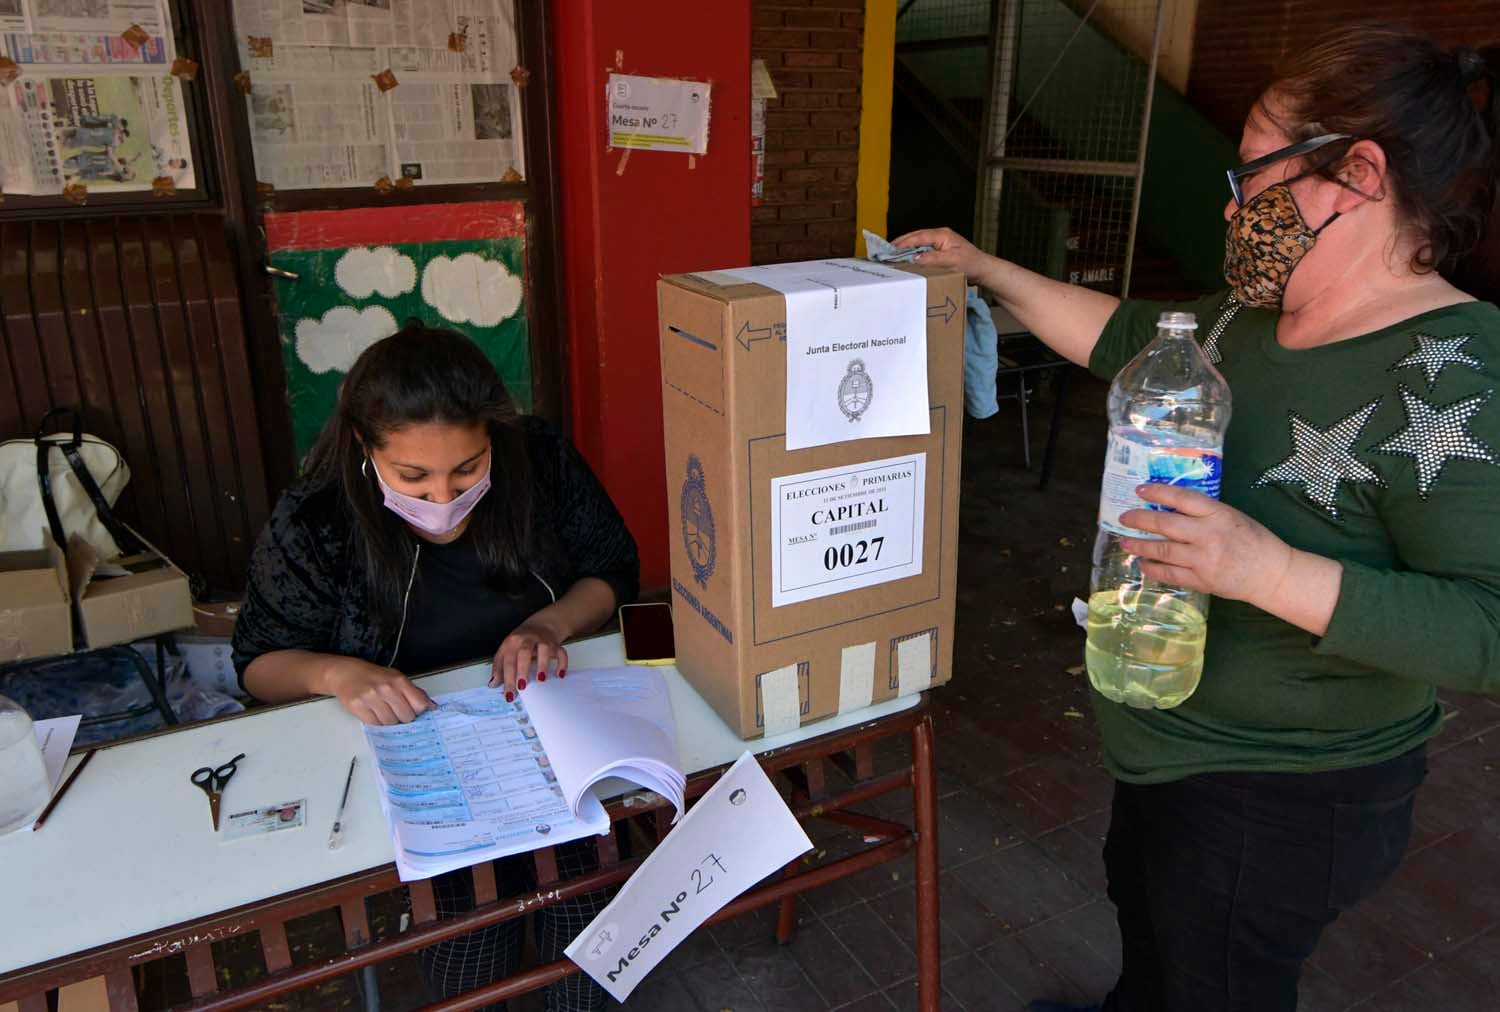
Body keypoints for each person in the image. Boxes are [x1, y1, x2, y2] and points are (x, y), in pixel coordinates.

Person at [899, 24, 1500, 1012]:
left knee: (1214, 978)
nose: (1237, 203)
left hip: (1282, 794)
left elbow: (1487, 626)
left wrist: (1264, 569)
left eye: (1255, 169)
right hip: (1170, 746)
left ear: (1357, 173)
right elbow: (1123, 334)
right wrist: (985, 267)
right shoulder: (1247, 315)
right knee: (1157, 932)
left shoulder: (1458, 373)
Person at [232, 321, 638, 1012]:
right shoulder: (318, 517)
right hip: (427, 767)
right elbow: (258, 663)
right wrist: (336, 674)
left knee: (592, 929)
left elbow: (613, 569)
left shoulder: (536, 457)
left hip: (550, 739)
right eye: (414, 476)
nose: (444, 498)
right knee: (468, 952)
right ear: (365, 445)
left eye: (468, 469)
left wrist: (552, 621)